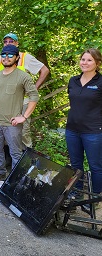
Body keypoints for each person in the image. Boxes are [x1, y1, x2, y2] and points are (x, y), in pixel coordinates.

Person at [0, 45, 39, 182]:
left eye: (10, 55)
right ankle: (0, 172)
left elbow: (34, 96)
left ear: (17, 58)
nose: (6, 58)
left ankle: (15, 180)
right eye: (3, 55)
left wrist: (24, 117)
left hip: (12, 123)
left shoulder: (23, 76)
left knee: (15, 152)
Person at [0, 33, 50, 148]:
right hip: (2, 102)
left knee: (23, 131)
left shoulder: (25, 57)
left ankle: (25, 160)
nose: (8, 43)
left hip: (21, 102)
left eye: (11, 41)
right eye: (5, 42)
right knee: (4, 130)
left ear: (17, 43)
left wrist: (34, 88)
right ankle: (10, 159)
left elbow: (44, 70)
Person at [65, 48, 102, 196]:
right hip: (72, 130)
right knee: (75, 165)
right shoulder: (73, 80)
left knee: (96, 166)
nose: (84, 63)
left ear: (97, 63)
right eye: (83, 59)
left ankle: (96, 197)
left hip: (93, 132)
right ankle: (78, 193)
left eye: (89, 60)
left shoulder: (100, 82)